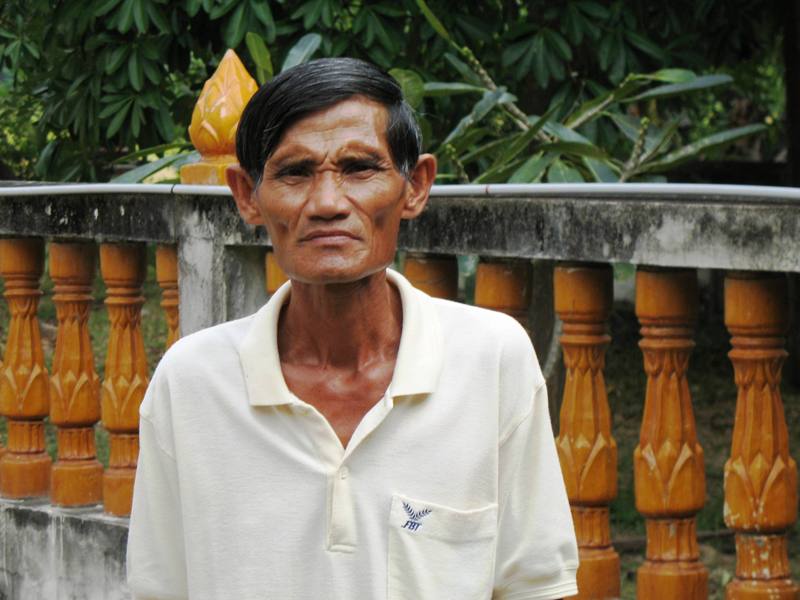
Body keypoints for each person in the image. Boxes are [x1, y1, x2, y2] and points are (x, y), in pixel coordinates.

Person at [127, 57, 578, 600]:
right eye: (294, 173)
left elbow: (535, 586)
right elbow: (159, 588)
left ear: (415, 186)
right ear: (248, 196)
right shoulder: (192, 383)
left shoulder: (491, 359)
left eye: (360, 168)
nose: (326, 204)